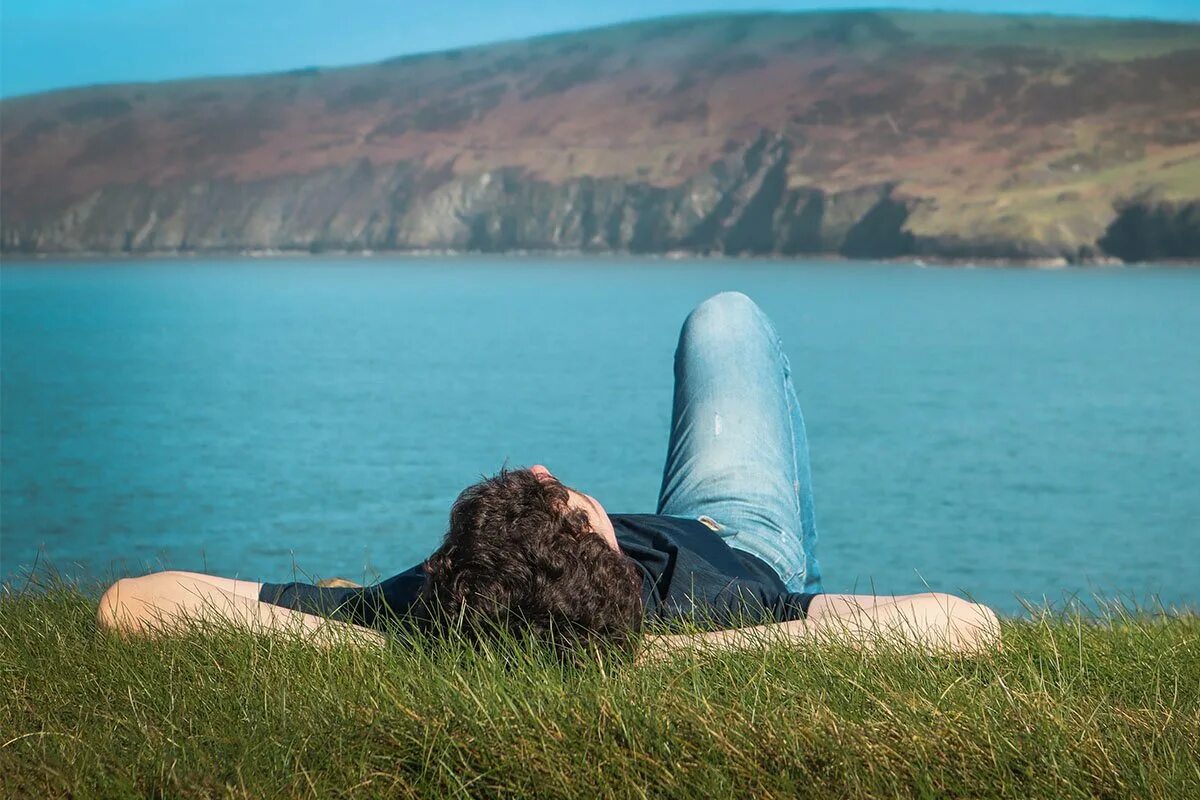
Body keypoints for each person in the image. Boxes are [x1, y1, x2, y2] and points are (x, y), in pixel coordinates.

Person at [96, 292, 1000, 658]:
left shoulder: (424, 608)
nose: (541, 467)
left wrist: (392, 640)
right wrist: (661, 663)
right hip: (739, 536)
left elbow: (127, 606)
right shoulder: (721, 612)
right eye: (560, 498)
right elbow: (969, 630)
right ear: (600, 544)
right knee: (726, 319)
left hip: (535, 621)